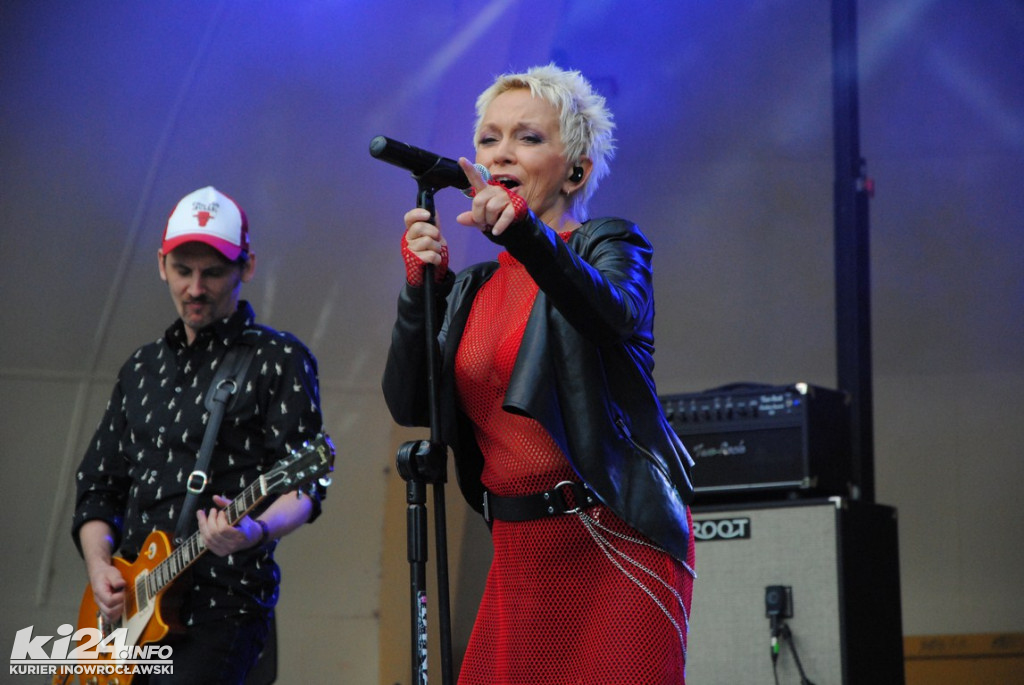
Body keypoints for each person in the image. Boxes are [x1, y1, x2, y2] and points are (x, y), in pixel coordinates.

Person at [382, 64, 697, 684]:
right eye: (489, 138)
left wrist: (526, 232)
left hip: (615, 539)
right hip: (520, 552)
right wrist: (421, 292)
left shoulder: (610, 245)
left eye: (527, 138)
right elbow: (410, 403)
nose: (501, 153)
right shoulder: (473, 288)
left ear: (575, 170)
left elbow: (609, 312)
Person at [72, 186, 327, 684]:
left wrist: (254, 531)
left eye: (212, 273)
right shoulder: (141, 368)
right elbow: (98, 487)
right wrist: (99, 568)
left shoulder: (277, 359)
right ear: (161, 265)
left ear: (246, 267)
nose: (194, 288)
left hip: (220, 607)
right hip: (127, 609)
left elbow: (304, 487)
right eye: (182, 270)